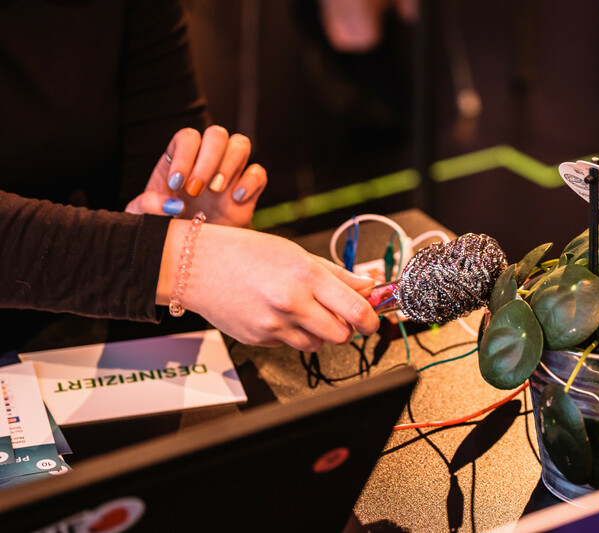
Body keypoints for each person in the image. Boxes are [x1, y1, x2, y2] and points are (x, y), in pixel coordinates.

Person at [0, 0, 380, 352]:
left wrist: (193, 229)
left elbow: (154, 190)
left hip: (86, 349)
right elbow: (158, 256)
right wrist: (185, 260)